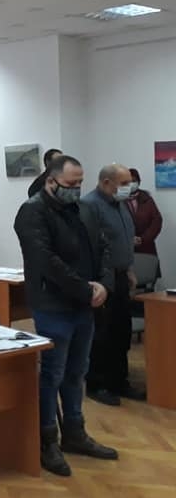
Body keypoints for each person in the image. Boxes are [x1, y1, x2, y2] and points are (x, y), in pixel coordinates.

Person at [14, 155, 118, 476]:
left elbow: (104, 248)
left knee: (77, 372)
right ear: (51, 181)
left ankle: (75, 432)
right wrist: (85, 289)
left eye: (80, 183)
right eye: (71, 183)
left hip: (84, 305)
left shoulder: (83, 209)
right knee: (52, 374)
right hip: (53, 305)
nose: (77, 189)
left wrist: (103, 285)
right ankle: (47, 441)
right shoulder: (32, 212)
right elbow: (46, 261)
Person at [82, 164, 143, 405]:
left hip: (120, 275)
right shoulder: (90, 205)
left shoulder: (119, 203)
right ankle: (97, 384)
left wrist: (129, 269)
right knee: (102, 334)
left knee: (121, 331)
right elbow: (90, 247)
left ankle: (119, 381)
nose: (129, 187)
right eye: (124, 183)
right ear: (107, 182)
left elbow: (123, 240)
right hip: (102, 279)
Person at [127, 168, 163, 256]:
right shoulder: (118, 200)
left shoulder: (147, 199)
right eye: (128, 181)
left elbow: (157, 221)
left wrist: (142, 239)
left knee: (148, 264)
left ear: (139, 182)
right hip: (125, 247)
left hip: (146, 246)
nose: (131, 184)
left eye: (134, 181)